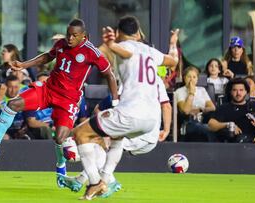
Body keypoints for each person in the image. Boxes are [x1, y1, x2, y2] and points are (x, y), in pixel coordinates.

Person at [0, 18, 118, 180]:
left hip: (68, 99)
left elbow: (109, 75)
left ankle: (60, 164)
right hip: (48, 89)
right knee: (13, 104)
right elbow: (47, 57)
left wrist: (115, 102)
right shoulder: (62, 44)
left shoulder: (92, 52)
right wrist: (24, 65)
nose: (69, 38)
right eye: (68, 34)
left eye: (74, 35)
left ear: (83, 36)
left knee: (60, 137)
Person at [70, 16, 178, 200]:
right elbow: (173, 61)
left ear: (119, 32)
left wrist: (111, 45)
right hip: (152, 121)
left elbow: (124, 53)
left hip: (131, 112)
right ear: (137, 32)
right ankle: (104, 178)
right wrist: (173, 43)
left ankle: (96, 183)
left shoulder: (125, 47)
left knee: (80, 133)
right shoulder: (150, 51)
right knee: (116, 137)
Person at [58, 75, 172, 195]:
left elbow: (118, 102)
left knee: (99, 143)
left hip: (138, 130)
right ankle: (80, 180)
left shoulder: (130, 76)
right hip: (151, 134)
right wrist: (166, 130)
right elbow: (166, 106)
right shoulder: (156, 79)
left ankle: (109, 182)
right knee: (100, 145)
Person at [208, 78, 255, 143]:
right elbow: (211, 125)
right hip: (239, 145)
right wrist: (228, 124)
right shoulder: (224, 108)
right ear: (230, 92)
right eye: (234, 90)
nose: (238, 93)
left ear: (246, 91)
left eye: (241, 90)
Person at [0, 75, 36, 140]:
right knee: (4, 137)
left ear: (19, 87)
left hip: (20, 130)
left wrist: (24, 129)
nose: (13, 90)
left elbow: (30, 117)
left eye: (16, 87)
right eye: (10, 87)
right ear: (5, 87)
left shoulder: (24, 98)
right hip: (2, 130)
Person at [175, 66, 216, 142]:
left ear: (197, 79)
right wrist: (191, 93)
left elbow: (212, 107)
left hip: (204, 120)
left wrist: (199, 109)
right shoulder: (179, 91)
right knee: (206, 129)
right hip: (189, 122)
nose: (191, 79)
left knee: (213, 128)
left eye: (194, 77)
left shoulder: (202, 90)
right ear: (184, 78)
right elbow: (186, 111)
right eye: (189, 77)